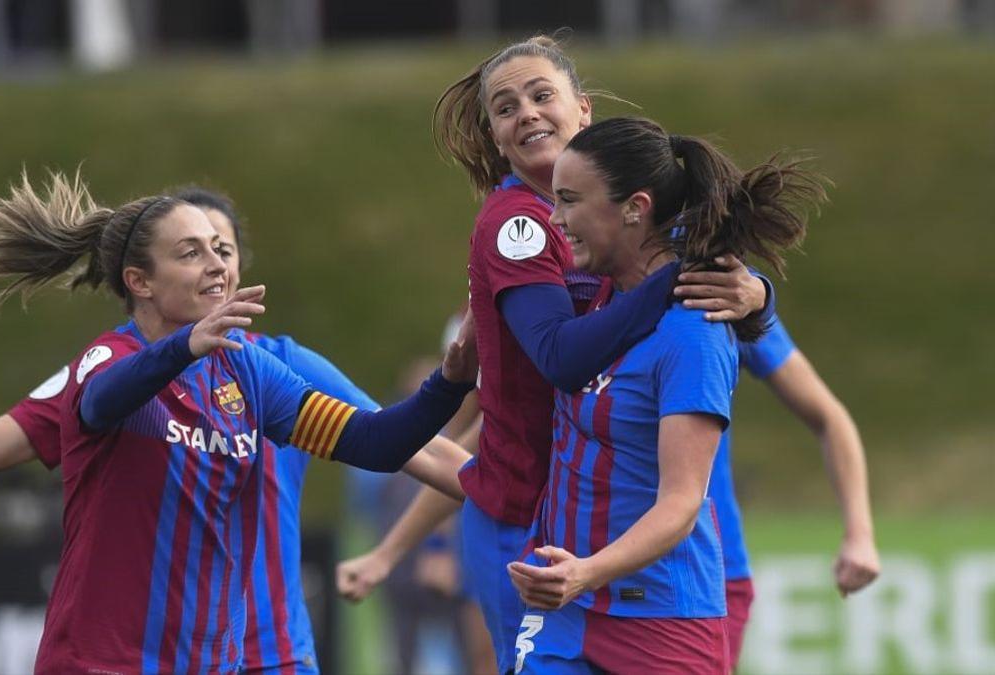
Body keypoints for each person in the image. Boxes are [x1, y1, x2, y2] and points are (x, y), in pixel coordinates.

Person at [0, 171, 477, 675]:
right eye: (191, 251)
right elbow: (96, 402)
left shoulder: (258, 370)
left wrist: (452, 377)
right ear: (141, 280)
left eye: (222, 249)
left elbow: (382, 442)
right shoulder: (110, 359)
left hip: (236, 658)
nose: (216, 263)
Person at [337, 35, 771, 674]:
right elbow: (557, 367)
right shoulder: (519, 225)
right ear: (495, 137)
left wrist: (756, 294)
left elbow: (715, 273)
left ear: (584, 111)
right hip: (530, 523)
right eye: (506, 108)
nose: (528, 113)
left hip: (610, 542)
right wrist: (394, 543)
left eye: (542, 95)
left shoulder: (627, 219)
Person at [505, 116, 826, 673]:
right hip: (567, 610)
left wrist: (587, 569)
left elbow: (681, 503)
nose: (556, 220)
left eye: (570, 201)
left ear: (635, 207)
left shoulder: (692, 332)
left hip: (661, 619)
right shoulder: (593, 299)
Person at [712, 316, 880, 667]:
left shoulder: (725, 292)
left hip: (707, 575)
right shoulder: (575, 292)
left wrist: (860, 534)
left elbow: (829, 417)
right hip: (579, 568)